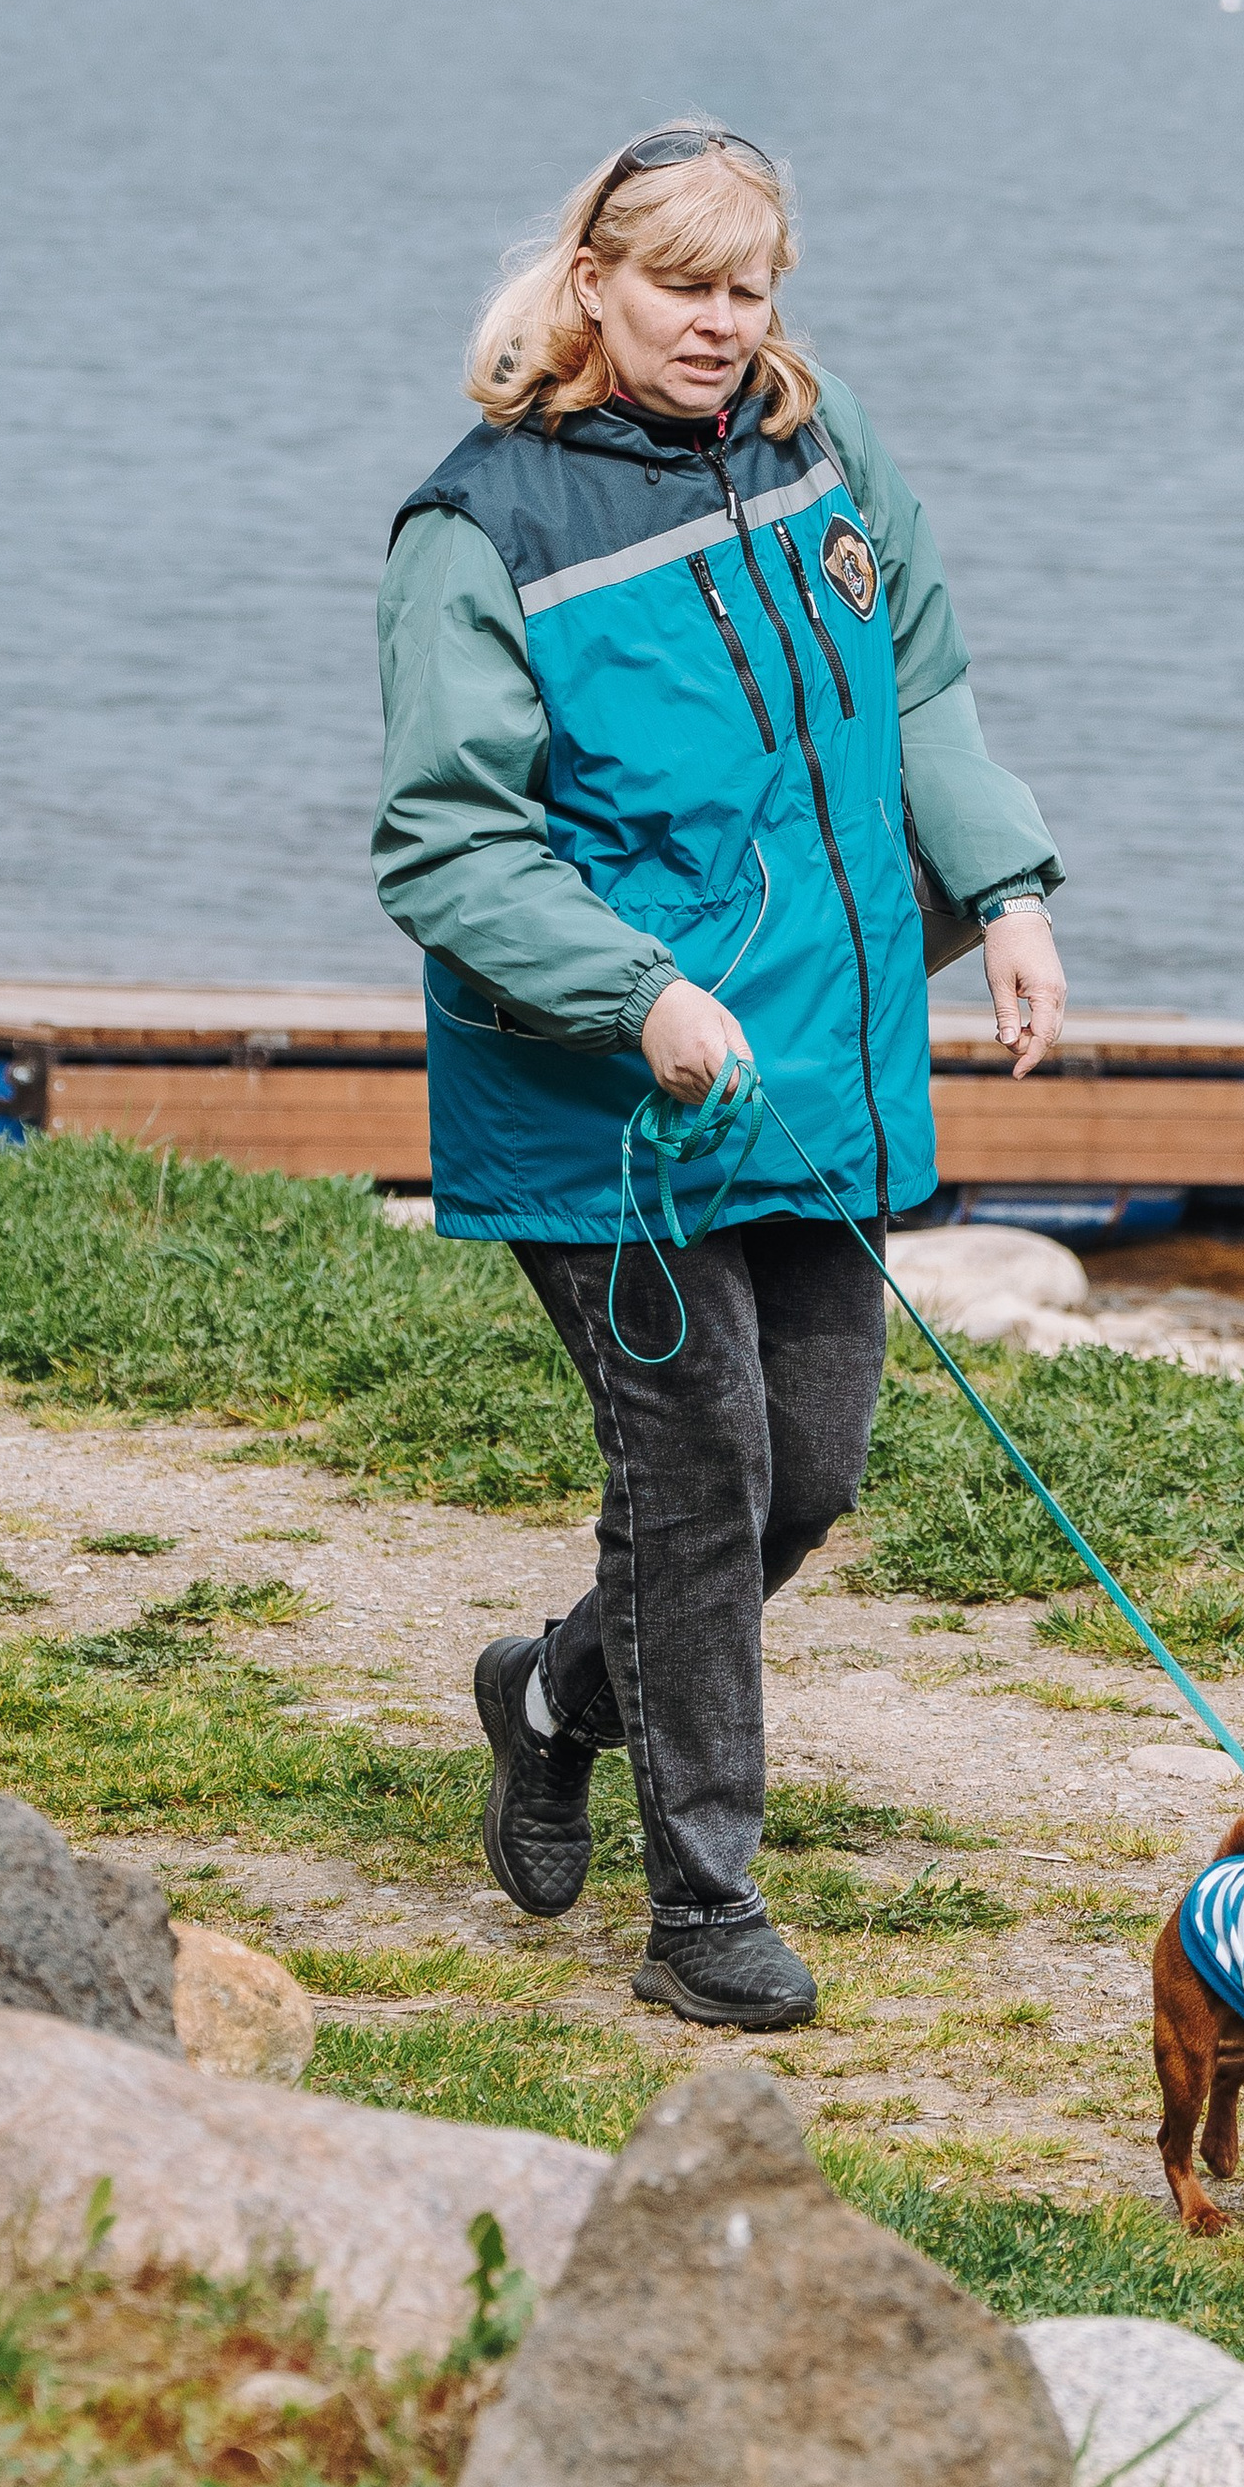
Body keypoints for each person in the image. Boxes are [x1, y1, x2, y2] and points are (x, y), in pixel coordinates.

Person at [375, 122, 1065, 2029]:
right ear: (592, 281)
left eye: (749, 285)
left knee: (809, 1479)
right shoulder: (480, 527)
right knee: (698, 1480)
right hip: (604, 1103)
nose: (721, 321)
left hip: (809, 1080)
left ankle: (549, 1694)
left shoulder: (822, 454)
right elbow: (448, 845)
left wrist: (1002, 885)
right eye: (682, 283)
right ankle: (703, 1909)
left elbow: (918, 684)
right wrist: (637, 990)